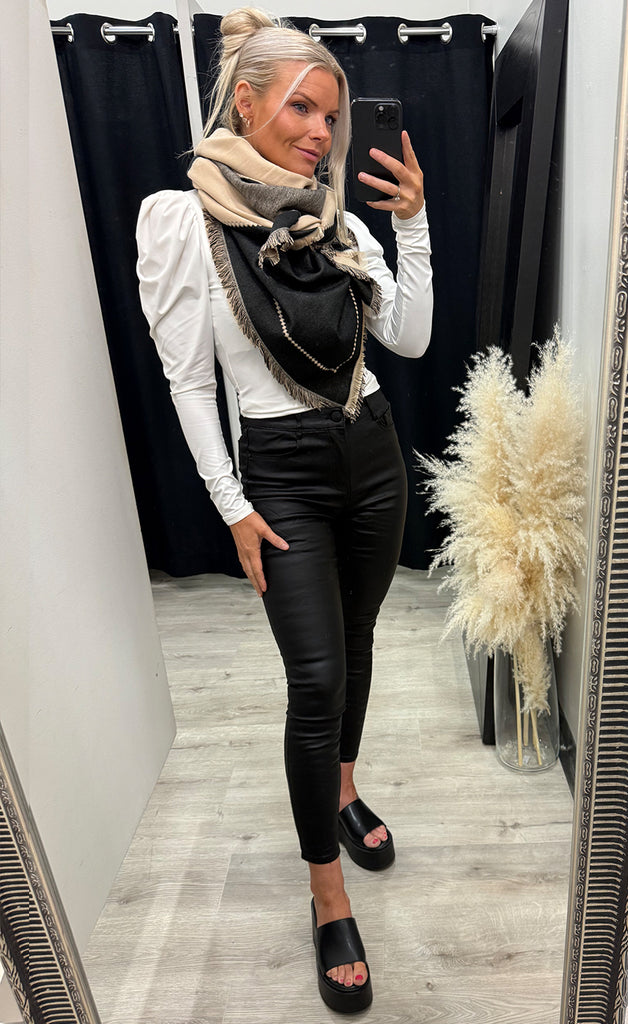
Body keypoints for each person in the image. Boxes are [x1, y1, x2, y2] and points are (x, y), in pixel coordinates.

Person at [136, 6, 432, 1013]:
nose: (320, 132)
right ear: (245, 103)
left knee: (360, 636)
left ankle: (344, 788)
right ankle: (326, 892)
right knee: (316, 679)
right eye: (302, 108)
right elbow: (188, 382)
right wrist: (231, 507)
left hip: (372, 453)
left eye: (331, 117)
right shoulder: (185, 221)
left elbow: (409, 339)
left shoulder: (336, 221)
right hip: (283, 473)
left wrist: (411, 225)